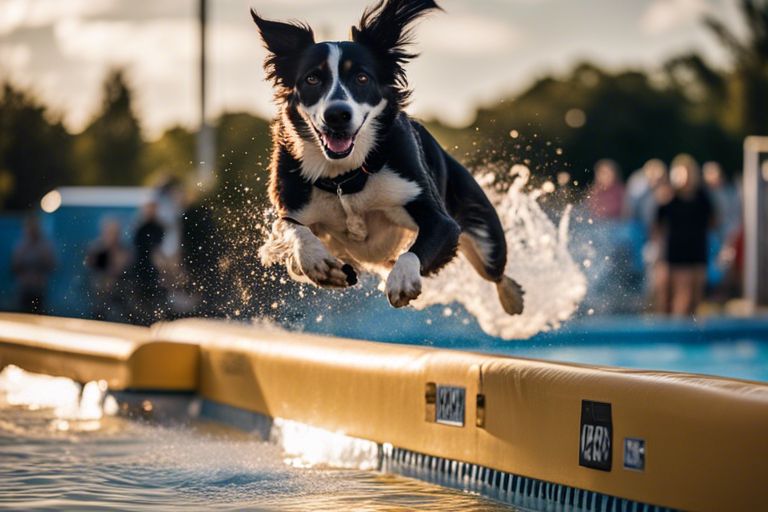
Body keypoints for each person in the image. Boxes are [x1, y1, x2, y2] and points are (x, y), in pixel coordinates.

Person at [653, 154, 715, 316]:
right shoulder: (669, 197)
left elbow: (713, 221)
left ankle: (692, 334)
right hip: (675, 250)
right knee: (680, 294)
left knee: (696, 295)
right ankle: (674, 330)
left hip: (697, 248)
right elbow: (657, 225)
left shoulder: (702, 197)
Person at [84, 218, 131, 320]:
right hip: (98, 295)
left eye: (115, 233)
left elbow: (121, 269)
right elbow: (92, 269)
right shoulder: (96, 249)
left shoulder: (124, 249)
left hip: (119, 296)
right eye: (110, 232)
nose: (113, 236)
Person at [129, 201, 166, 324]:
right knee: (141, 304)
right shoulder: (140, 228)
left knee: (155, 302)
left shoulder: (159, 227)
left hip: (155, 272)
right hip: (142, 271)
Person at [11, 215, 56, 314]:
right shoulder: (21, 245)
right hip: (24, 287)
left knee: (38, 314)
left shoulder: (45, 245)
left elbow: (51, 265)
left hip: (39, 288)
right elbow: (14, 267)